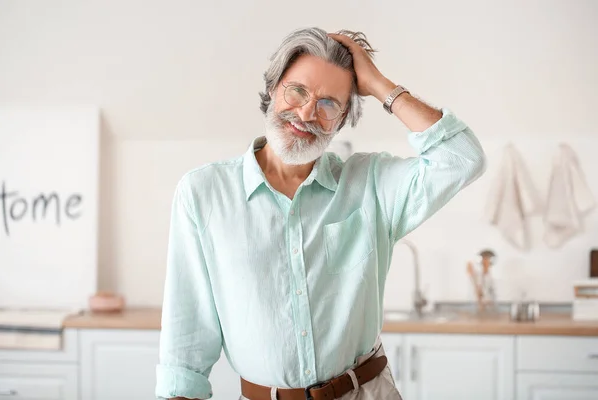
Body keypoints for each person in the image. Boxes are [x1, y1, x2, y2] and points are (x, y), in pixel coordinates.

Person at [155, 27, 486, 400]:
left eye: (329, 104)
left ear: (342, 120)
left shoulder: (371, 184)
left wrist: (380, 85)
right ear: (272, 89)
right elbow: (185, 350)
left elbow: (463, 158)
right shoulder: (203, 194)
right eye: (297, 91)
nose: (307, 112)